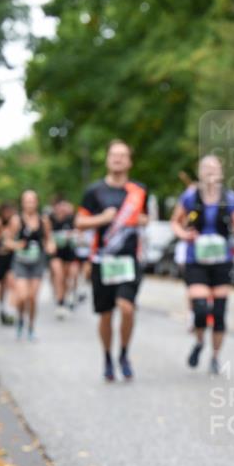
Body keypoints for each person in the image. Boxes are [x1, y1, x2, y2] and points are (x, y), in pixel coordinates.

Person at [75, 139, 148, 381]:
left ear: (129, 161)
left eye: (122, 155)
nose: (117, 159)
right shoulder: (94, 191)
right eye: (113, 155)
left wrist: (140, 221)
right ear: (107, 159)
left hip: (129, 260)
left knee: (127, 309)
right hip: (102, 261)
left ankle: (124, 353)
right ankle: (107, 356)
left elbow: (146, 218)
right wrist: (102, 219)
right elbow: (80, 222)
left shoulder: (139, 191)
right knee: (106, 314)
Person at [170, 155, 234, 374]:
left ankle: (215, 356)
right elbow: (175, 222)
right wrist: (184, 234)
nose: (210, 172)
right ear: (199, 173)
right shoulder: (190, 197)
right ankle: (199, 342)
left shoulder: (230, 198)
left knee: (220, 313)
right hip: (197, 260)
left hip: (222, 260)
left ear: (221, 173)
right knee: (201, 308)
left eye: (214, 168)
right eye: (206, 168)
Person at [4, 190, 54, 340]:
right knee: (22, 296)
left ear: (37, 202)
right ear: (22, 203)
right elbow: (7, 241)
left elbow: (48, 239)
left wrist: (50, 246)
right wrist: (17, 245)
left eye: (32, 200)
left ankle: (31, 327)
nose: (30, 204)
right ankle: (20, 319)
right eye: (27, 201)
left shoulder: (43, 221)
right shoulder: (16, 220)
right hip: (21, 263)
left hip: (37, 262)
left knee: (32, 298)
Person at [48, 195, 80, 318]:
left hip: (69, 252)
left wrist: (71, 235)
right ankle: (60, 302)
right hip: (56, 253)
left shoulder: (71, 219)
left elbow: (78, 232)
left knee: (67, 277)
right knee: (59, 275)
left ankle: (64, 298)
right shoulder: (50, 219)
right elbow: (46, 235)